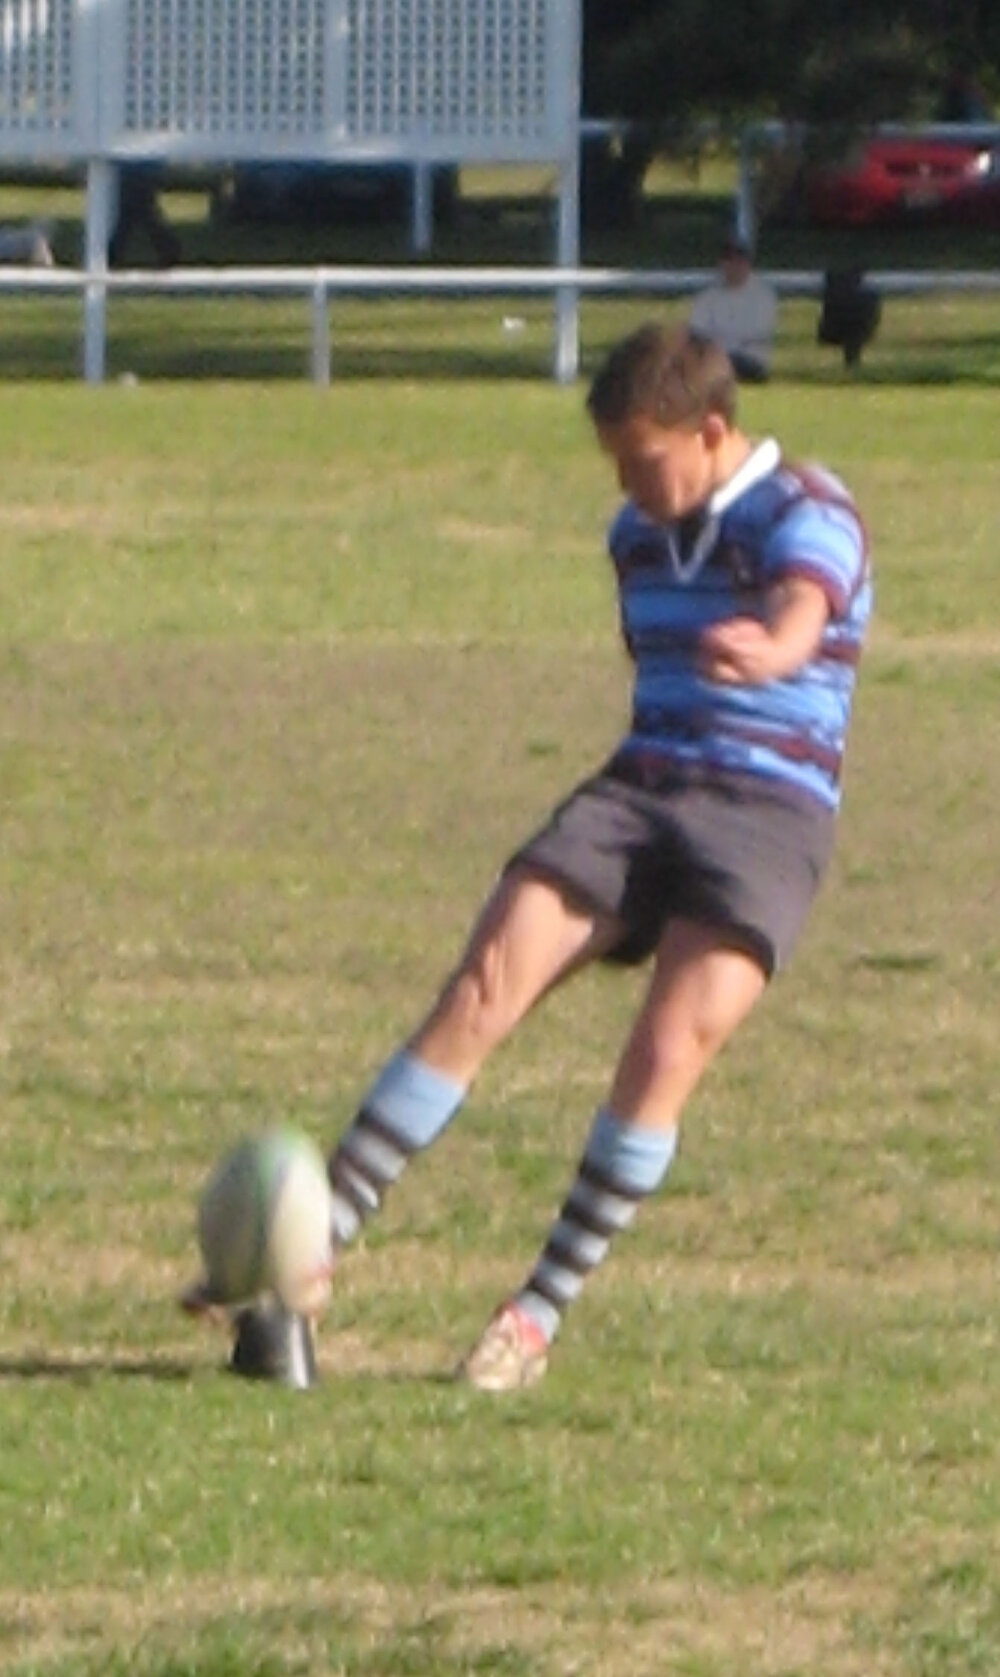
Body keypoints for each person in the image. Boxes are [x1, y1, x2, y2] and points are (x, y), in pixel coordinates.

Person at [185, 324, 872, 1391]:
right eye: (615, 463)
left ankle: (535, 1315)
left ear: (713, 430)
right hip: (642, 787)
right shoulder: (633, 538)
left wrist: (772, 650)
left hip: (766, 813)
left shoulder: (809, 511)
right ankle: (305, 1251)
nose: (629, 485)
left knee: (666, 1050)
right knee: (485, 979)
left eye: (645, 460)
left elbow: (803, 609)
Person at [688, 235, 778, 383]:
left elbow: (758, 332)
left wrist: (722, 344)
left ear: (747, 264)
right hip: (715, 358)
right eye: (728, 261)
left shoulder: (764, 295)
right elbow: (697, 332)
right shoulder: (707, 296)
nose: (734, 266)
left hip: (751, 359)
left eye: (739, 261)